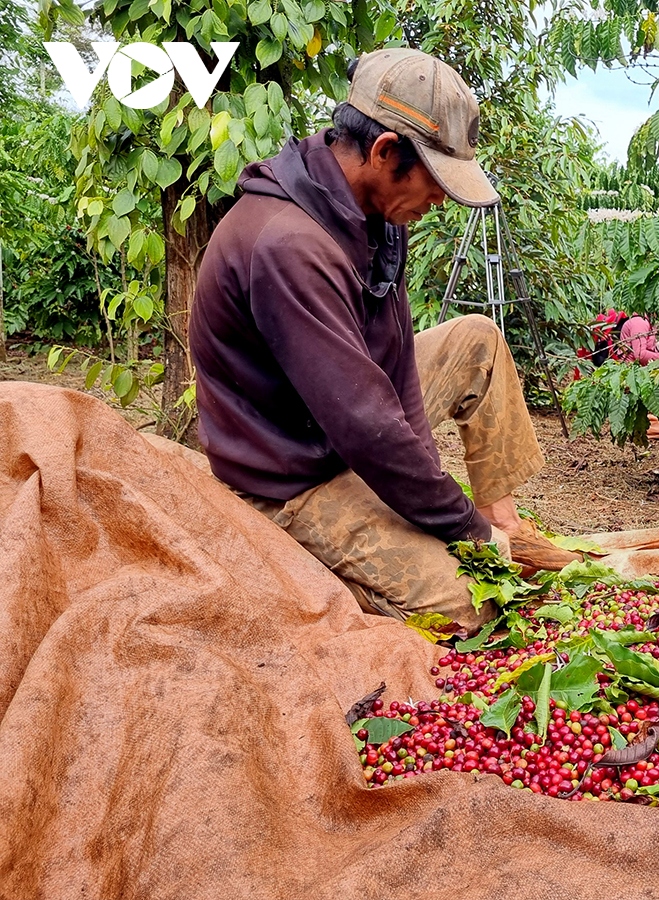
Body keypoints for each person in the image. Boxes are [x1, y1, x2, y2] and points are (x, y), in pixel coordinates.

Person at [189, 48, 580, 633]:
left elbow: (395, 375)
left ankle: (509, 523)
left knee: (477, 338)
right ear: (384, 151)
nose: (440, 200)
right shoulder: (290, 245)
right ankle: (311, 568)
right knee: (473, 605)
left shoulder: (373, 215)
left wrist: (468, 522)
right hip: (292, 478)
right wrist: (465, 533)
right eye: (436, 181)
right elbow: (367, 427)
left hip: (340, 429)